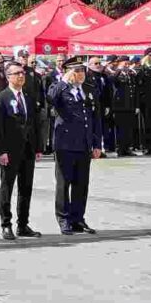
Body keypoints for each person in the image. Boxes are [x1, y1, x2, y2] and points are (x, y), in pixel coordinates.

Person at [47, 56, 102, 235]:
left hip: (84, 143)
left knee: (81, 184)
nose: (81, 74)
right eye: (77, 71)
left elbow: (96, 118)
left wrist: (96, 143)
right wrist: (63, 81)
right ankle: (64, 219)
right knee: (64, 183)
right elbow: (50, 98)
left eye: (82, 70)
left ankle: (78, 218)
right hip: (65, 143)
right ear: (68, 72)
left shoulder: (89, 89)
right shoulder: (60, 88)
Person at [0, 61, 43, 240]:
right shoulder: (1, 98)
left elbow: (34, 125)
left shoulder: (28, 97)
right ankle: (6, 224)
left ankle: (23, 224)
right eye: (16, 73)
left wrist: (38, 147)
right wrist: (0, 151)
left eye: (22, 73)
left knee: (26, 188)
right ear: (8, 77)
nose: (21, 76)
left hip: (27, 150)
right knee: (7, 187)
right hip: (10, 151)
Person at [111, 56, 138, 157]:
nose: (127, 66)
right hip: (120, 106)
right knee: (121, 129)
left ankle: (127, 148)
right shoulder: (116, 74)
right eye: (124, 64)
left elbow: (133, 90)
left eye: (128, 64)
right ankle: (121, 149)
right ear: (120, 63)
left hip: (129, 105)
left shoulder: (130, 74)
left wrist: (135, 105)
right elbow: (113, 81)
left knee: (128, 128)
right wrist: (118, 70)